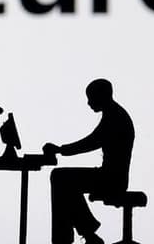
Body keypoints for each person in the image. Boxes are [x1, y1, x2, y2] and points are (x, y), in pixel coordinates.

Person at [43, 79, 135, 244]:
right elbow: (94, 140)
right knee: (62, 180)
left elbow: (91, 142)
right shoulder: (113, 114)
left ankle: (78, 236)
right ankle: (85, 235)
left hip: (112, 179)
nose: (89, 103)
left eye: (91, 98)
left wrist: (60, 150)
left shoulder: (115, 117)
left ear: (103, 96)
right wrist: (61, 150)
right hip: (110, 176)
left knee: (59, 177)